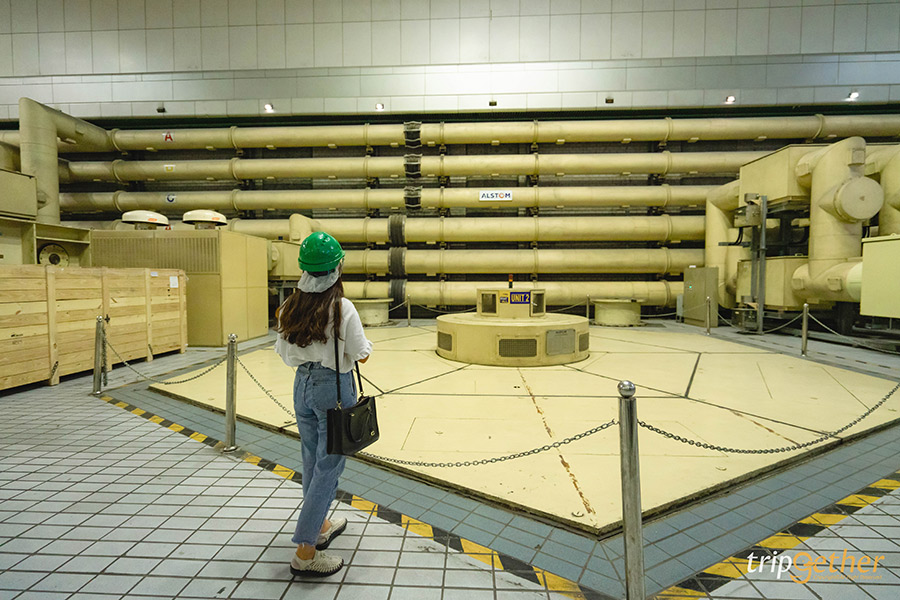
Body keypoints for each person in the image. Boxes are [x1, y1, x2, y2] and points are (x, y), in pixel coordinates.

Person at [274, 231, 373, 577]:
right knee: (328, 468)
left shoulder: (289, 306)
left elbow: (283, 353)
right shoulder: (342, 307)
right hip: (333, 388)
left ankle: (320, 526)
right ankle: (305, 552)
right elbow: (360, 354)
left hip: (301, 385)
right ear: (337, 267)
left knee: (311, 459)